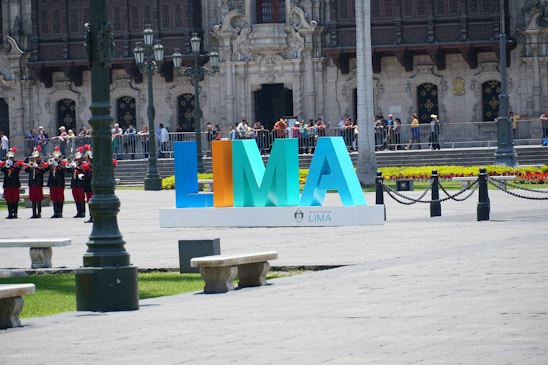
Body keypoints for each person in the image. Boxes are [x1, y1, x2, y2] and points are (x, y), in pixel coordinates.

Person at [24, 146, 49, 218]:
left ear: (39, 157)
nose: (35, 158)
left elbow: (43, 170)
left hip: (38, 183)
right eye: (34, 157)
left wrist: (37, 166)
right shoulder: (31, 164)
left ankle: (39, 213)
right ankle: (34, 213)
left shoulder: (41, 164)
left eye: (37, 157)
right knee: (33, 199)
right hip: (32, 183)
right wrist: (29, 165)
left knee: (38, 199)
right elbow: (26, 170)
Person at [1, 147, 23, 219]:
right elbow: (2, 170)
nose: (10, 159)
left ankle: (15, 213)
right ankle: (10, 213)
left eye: (11, 157)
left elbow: (18, 169)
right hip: (7, 184)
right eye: (9, 157)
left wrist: (12, 165)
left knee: (15, 199)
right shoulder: (5, 164)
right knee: (9, 199)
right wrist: (6, 164)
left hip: (15, 184)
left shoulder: (17, 164)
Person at [46, 146, 67, 218]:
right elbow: (46, 169)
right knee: (54, 198)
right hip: (53, 183)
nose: (56, 158)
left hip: (59, 183)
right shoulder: (52, 164)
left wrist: (58, 165)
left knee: (60, 198)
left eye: (57, 157)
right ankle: (55, 212)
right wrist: (49, 163)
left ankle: (60, 212)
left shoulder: (62, 164)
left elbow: (65, 170)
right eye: (55, 157)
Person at [67, 146, 86, 218]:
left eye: (79, 158)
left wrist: (76, 167)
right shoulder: (75, 165)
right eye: (77, 158)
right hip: (74, 184)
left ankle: (82, 212)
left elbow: (82, 171)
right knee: (76, 198)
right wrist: (69, 166)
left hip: (80, 184)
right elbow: (68, 172)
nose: (78, 160)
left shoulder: (83, 165)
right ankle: (78, 212)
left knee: (81, 198)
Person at [82, 145, 94, 223]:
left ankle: (93, 216)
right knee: (89, 201)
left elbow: (90, 174)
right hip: (87, 186)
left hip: (91, 186)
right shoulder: (88, 164)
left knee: (92, 201)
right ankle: (91, 216)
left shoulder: (91, 165)